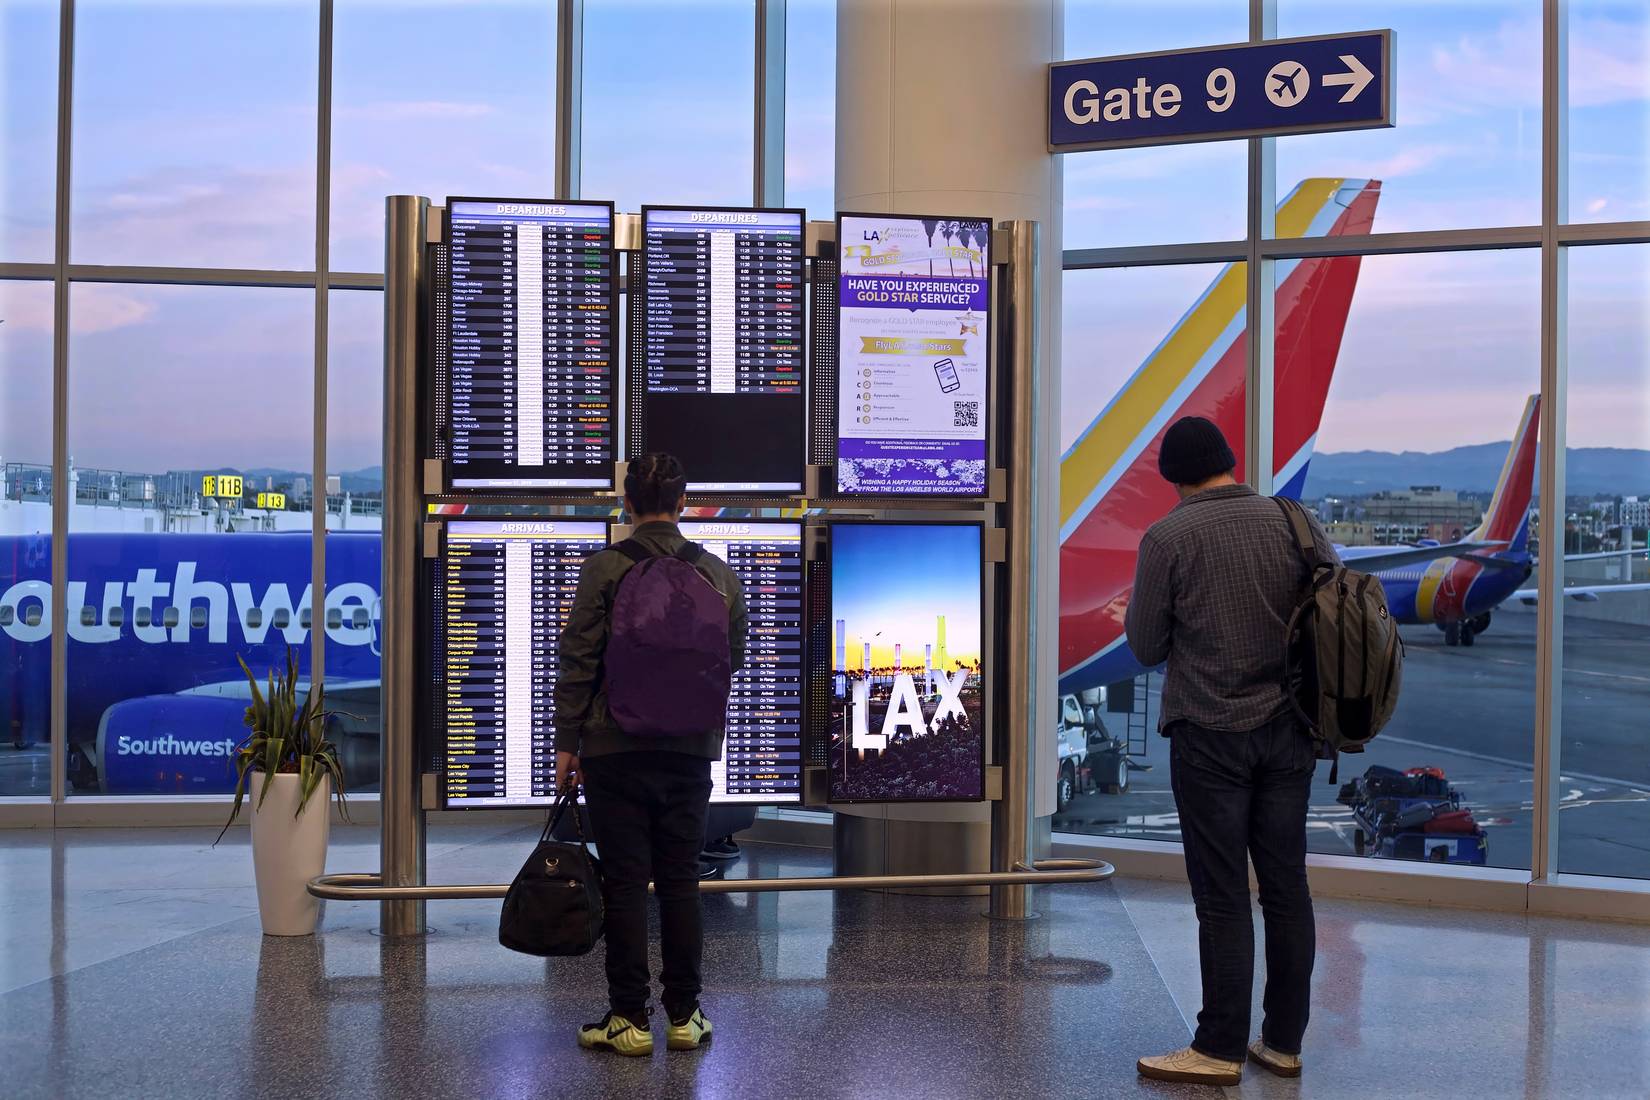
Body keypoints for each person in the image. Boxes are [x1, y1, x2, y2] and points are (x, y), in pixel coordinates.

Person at [1125, 416, 1340, 1087]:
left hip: (1210, 733)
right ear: (1229, 462)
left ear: (1175, 480)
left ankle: (1218, 1045)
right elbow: (1332, 610)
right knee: (1285, 887)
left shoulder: (1168, 538)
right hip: (1291, 732)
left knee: (1222, 896)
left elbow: (1145, 645)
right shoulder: (1293, 519)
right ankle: (1282, 1042)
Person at [554, 453, 749, 1058]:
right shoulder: (717, 574)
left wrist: (568, 742)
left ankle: (629, 1019)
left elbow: (579, 658)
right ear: (684, 502)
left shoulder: (605, 568)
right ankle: (686, 1017)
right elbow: (731, 657)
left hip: (614, 749)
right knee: (680, 882)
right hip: (689, 751)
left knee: (624, 884)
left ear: (628, 502)